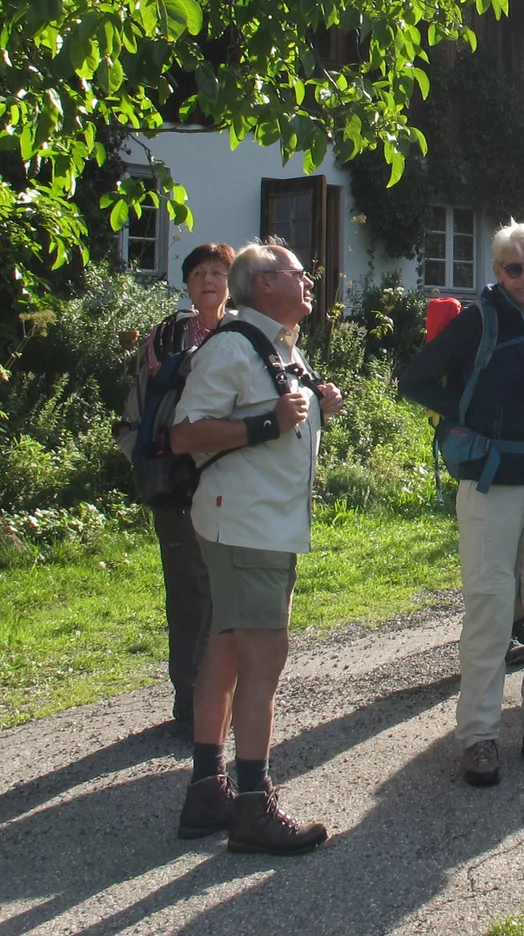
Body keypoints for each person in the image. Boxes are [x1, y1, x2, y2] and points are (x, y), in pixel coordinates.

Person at [167, 240, 344, 853]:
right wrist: (268, 422)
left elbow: (281, 417)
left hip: (259, 522)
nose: (308, 281)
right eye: (299, 273)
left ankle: (206, 789)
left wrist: (316, 405)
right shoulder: (234, 346)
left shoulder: (276, 346)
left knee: (226, 652)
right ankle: (251, 806)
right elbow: (185, 433)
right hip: (247, 525)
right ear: (264, 283)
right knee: (263, 660)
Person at [401, 222, 524, 788]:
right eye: (515, 268)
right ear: (498, 271)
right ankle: (479, 737)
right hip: (492, 479)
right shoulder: (477, 321)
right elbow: (414, 379)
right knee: (489, 608)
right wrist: (464, 416)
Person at [141, 242, 235, 732]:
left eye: (218, 272)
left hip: (236, 477)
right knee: (188, 589)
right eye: (199, 272)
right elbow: (140, 404)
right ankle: (189, 703)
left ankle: (224, 700)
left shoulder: (246, 330)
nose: (209, 280)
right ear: (187, 282)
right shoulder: (167, 335)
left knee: (232, 587)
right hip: (178, 476)